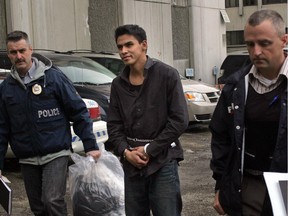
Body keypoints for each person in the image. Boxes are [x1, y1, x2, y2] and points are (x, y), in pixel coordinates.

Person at [0, 30, 101, 216]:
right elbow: (2, 129)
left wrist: (90, 145)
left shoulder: (53, 78)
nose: (19, 56)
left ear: (31, 49)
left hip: (56, 152)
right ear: (9, 55)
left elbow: (78, 112)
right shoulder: (6, 89)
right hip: (27, 157)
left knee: (52, 200)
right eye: (13, 52)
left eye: (22, 50)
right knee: (38, 208)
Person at [210, 9, 287, 216]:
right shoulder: (235, 86)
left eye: (264, 43)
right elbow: (221, 136)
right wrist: (221, 184)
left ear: (284, 40)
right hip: (249, 182)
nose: (256, 51)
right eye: (250, 44)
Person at [107, 24, 189, 216]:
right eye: (120, 47)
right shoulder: (117, 84)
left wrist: (148, 150)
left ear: (144, 45)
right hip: (131, 164)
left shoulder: (167, 75)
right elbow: (114, 125)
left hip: (163, 161)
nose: (124, 51)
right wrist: (126, 153)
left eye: (129, 45)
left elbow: (179, 120)